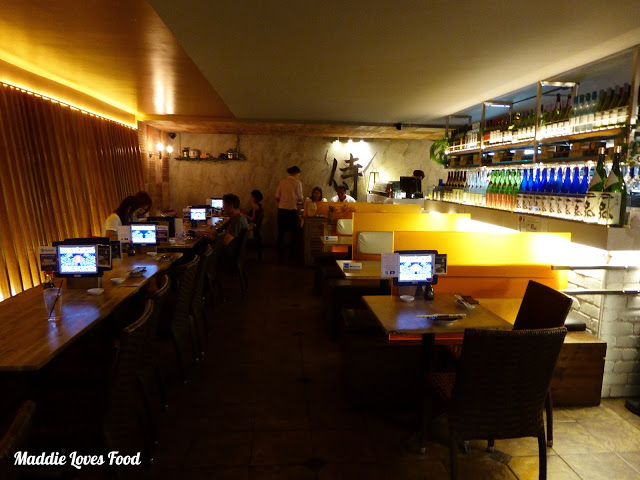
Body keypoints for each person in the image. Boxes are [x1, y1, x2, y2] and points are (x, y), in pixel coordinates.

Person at [275, 166, 303, 260]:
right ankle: (292, 254)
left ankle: (279, 254)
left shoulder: (282, 182)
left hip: (281, 210)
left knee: (281, 232)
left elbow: (277, 197)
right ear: (296, 173)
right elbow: (300, 198)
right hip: (292, 210)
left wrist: (283, 201)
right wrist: (295, 201)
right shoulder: (297, 183)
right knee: (295, 233)